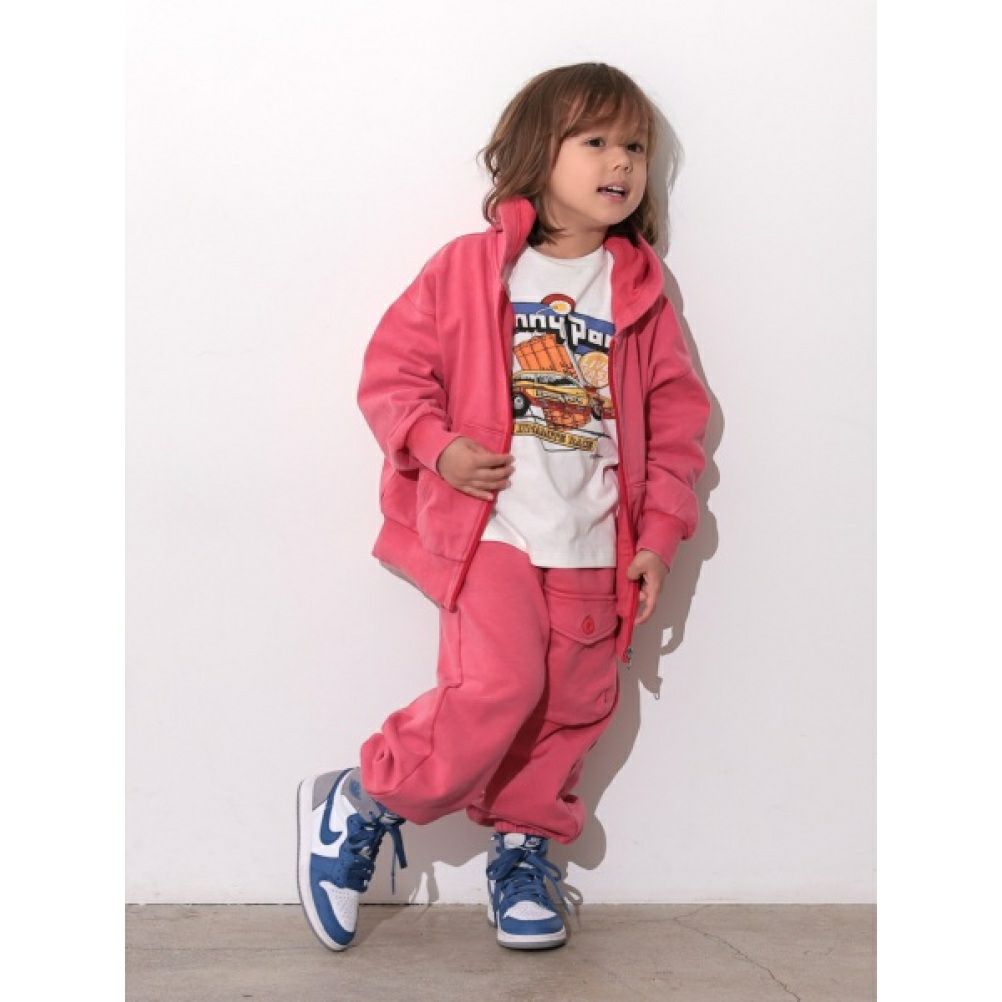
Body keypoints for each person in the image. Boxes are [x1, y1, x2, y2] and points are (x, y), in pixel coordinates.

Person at [296, 61, 711, 953]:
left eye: (635, 147)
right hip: (493, 529)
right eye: (595, 141)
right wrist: (438, 445)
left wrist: (661, 536)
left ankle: (522, 851)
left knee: (572, 705)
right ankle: (365, 798)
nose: (621, 162)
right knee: (499, 686)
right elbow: (393, 372)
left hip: (595, 539)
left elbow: (678, 424)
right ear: (537, 152)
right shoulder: (471, 268)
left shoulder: (640, 292)